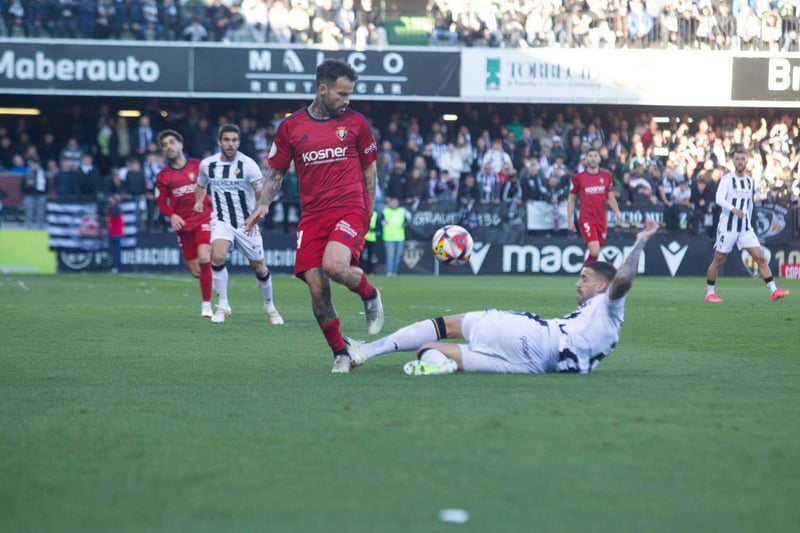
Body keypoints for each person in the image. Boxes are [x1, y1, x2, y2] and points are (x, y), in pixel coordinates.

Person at [346, 221, 660, 375]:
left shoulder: (609, 304)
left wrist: (640, 242)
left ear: (603, 286)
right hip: (535, 367)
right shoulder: (605, 327)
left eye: (584, 279)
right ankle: (438, 366)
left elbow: (622, 281)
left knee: (446, 326)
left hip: (535, 336)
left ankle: (367, 350)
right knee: (429, 349)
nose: (578, 284)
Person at [244, 58, 382, 374]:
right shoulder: (291, 127)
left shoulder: (357, 123)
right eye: (342, 94)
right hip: (313, 216)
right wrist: (263, 203)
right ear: (322, 90)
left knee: (334, 266)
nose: (347, 101)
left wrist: (367, 213)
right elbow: (276, 171)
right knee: (318, 288)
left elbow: (369, 169)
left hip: (350, 207)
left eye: (350, 94)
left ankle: (370, 293)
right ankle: (341, 353)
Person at [194, 124, 284, 325]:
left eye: (234, 140)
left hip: (246, 224)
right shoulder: (208, 164)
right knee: (217, 255)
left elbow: (263, 196)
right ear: (219, 142)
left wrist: (254, 219)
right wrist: (199, 201)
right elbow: (201, 185)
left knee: (259, 267)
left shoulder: (248, 165)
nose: (231, 144)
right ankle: (223, 305)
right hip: (222, 221)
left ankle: (269, 306)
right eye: (226, 140)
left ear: (239, 142)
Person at [704, 150, 789, 303]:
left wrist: (748, 221)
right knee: (719, 260)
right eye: (737, 159)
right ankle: (710, 293)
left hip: (744, 228)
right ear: (733, 162)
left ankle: (774, 291)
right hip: (728, 227)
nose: (740, 162)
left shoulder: (749, 181)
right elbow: (719, 199)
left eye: (742, 159)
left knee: (760, 257)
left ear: (746, 162)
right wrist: (733, 209)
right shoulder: (727, 179)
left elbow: (749, 204)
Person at [155, 129, 215, 318]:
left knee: (204, 257)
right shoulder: (163, 176)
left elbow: (214, 184)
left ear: (180, 145)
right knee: (197, 271)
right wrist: (172, 215)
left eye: (172, 142)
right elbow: (161, 202)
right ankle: (214, 278)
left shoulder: (199, 165)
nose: (168, 147)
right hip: (183, 225)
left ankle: (207, 306)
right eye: (164, 145)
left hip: (204, 218)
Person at [566, 148, 622, 264]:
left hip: (601, 219)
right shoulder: (578, 178)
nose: (593, 159)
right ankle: (585, 273)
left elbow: (610, 198)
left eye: (595, 156)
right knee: (595, 251)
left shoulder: (606, 177)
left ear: (599, 159)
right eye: (590, 156)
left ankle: (588, 273)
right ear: (586, 159)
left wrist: (617, 212)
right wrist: (570, 221)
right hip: (587, 219)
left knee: (597, 251)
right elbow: (571, 199)